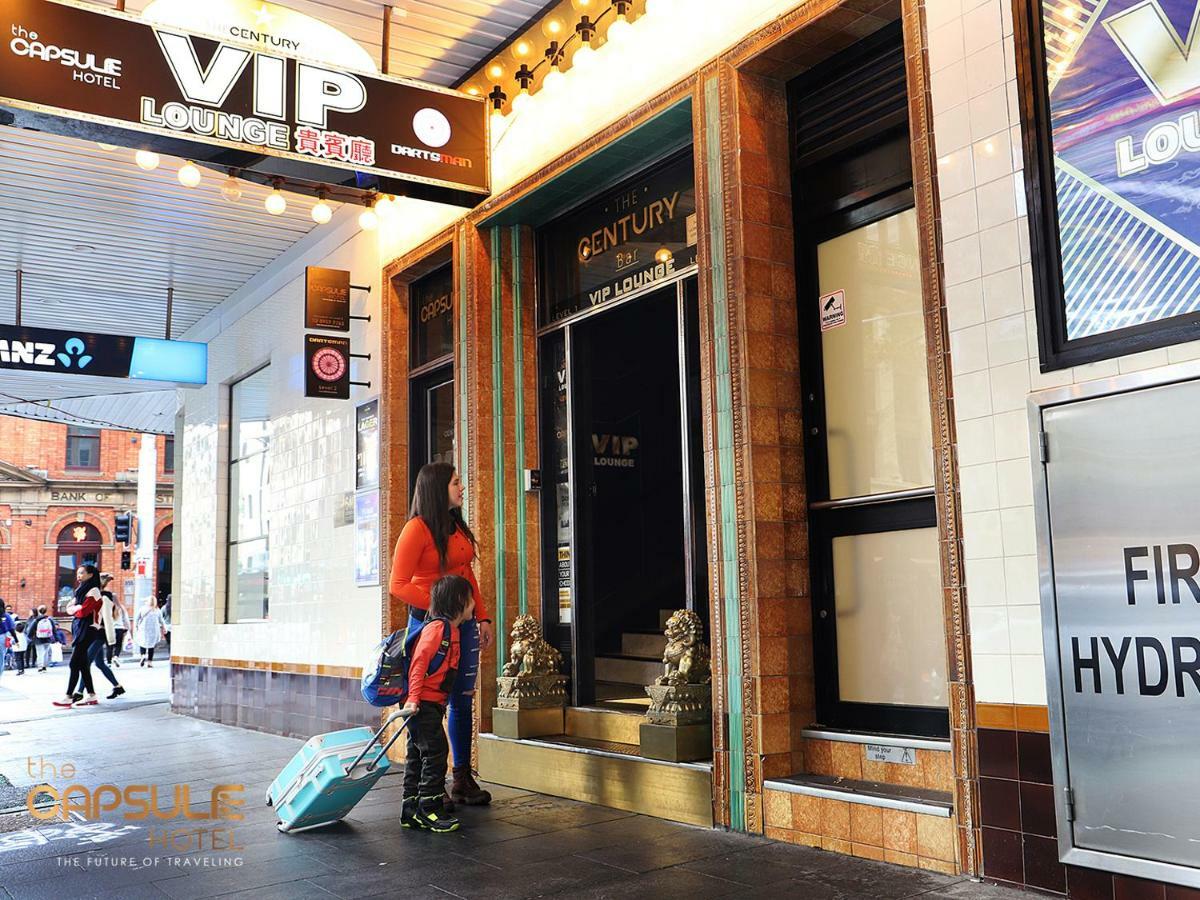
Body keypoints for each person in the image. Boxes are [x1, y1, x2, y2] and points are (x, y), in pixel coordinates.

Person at [389, 462, 493, 808]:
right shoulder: (416, 530)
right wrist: (442, 610)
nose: (462, 487)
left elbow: (466, 574)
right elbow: (398, 585)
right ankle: (430, 785)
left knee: (462, 699)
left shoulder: (456, 526)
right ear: (437, 489)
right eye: (455, 482)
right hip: (430, 625)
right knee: (429, 703)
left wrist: (481, 615)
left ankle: (462, 776)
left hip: (463, 624)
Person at [401, 575, 473, 834]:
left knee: (417, 756)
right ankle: (429, 808)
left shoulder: (449, 630)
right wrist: (413, 700)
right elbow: (419, 664)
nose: (474, 603)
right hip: (422, 705)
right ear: (459, 602)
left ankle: (410, 809)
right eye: (470, 598)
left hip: (428, 704)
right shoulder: (437, 629)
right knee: (435, 753)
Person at [53, 565, 103, 707]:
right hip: (80, 627)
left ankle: (69, 696)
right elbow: (70, 608)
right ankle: (92, 695)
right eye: (78, 573)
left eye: (82, 573)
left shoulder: (94, 591)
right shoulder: (81, 590)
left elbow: (84, 611)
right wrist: (76, 609)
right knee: (82, 664)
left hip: (88, 629)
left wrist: (75, 609)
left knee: (74, 663)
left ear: (91, 575)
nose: (78, 575)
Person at [87, 574, 125, 699]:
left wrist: (111, 638)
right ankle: (118, 687)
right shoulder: (98, 596)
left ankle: (80, 694)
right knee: (99, 663)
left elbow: (107, 619)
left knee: (85, 663)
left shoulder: (104, 597)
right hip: (95, 633)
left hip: (99, 634)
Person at [135, 598, 166, 667]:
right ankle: (149, 662)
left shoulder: (142, 609)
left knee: (142, 642)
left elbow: (137, 618)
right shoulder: (157, 610)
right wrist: (164, 628)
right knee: (151, 646)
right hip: (154, 630)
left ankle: (143, 655)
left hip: (143, 629)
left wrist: (136, 626)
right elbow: (161, 620)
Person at [28, 605, 55, 672]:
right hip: (47, 638)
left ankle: (40, 667)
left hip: (38, 639)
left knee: (39, 653)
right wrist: (53, 637)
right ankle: (44, 667)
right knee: (45, 653)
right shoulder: (49, 619)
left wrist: (30, 637)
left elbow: (30, 629)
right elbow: (54, 629)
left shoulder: (36, 620)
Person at [110, 599, 129, 667]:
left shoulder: (109, 607)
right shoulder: (121, 608)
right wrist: (128, 628)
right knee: (118, 645)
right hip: (120, 628)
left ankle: (109, 661)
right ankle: (116, 657)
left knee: (110, 645)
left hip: (111, 629)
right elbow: (126, 619)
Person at [0, 605, 16, 683]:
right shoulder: (6, 616)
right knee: (1, 658)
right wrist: (16, 639)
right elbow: (11, 628)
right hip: (2, 637)